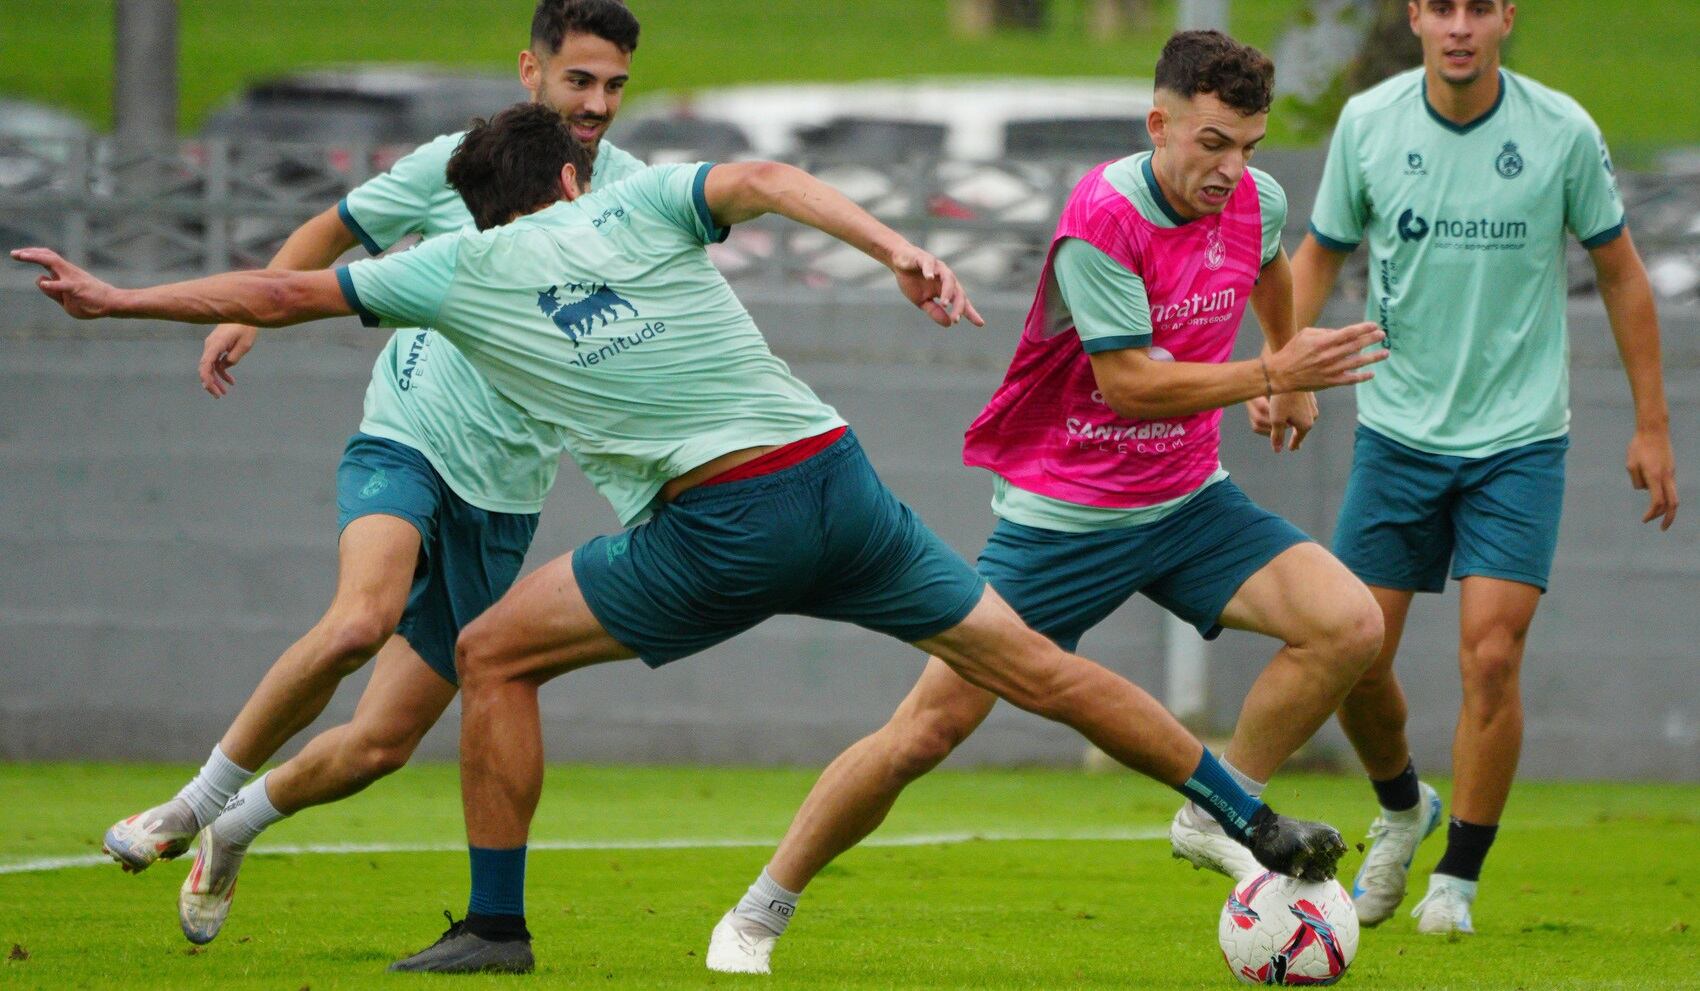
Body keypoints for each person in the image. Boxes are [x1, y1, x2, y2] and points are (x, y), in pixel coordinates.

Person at [16, 101, 1351, 976]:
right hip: (842, 480)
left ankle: (494, 922)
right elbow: (767, 178)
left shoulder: (458, 266)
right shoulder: (642, 197)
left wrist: (122, 294)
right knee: (1034, 667)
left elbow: (282, 285)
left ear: (475, 206)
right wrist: (897, 247)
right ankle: (1252, 813)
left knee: (488, 653)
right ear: (573, 174)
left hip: (721, 520)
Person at [703, 30, 1391, 975]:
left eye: (1249, 146)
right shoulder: (1100, 218)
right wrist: (1270, 369)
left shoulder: (1255, 200)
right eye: (1211, 143)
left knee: (1348, 623)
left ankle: (1217, 807)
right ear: (1160, 124)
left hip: (1190, 504)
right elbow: (1131, 386)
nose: (1232, 169)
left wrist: (1291, 374)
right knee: (925, 732)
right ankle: (756, 911)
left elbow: (1271, 265)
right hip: (1064, 521)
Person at [96, 0, 647, 947]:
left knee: (382, 744)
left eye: (613, 86)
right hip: (408, 434)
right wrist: (248, 314)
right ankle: (190, 803)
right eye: (578, 80)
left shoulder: (633, 191)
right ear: (531, 70)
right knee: (361, 617)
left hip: (506, 493)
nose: (595, 104)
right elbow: (329, 229)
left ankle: (236, 826)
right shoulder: (457, 163)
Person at [1276, 0, 1679, 934]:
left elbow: (1620, 271)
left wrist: (1651, 424)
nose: (1459, 25)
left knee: (1491, 653)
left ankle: (1456, 876)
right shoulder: (1370, 126)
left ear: (1506, 18)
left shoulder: (1561, 131)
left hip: (1519, 439)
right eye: (1441, 6)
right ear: (1416, 16)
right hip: (1397, 432)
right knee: (1350, 650)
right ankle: (1400, 804)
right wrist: (1280, 368)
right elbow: (1319, 255)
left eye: (1478, 7)